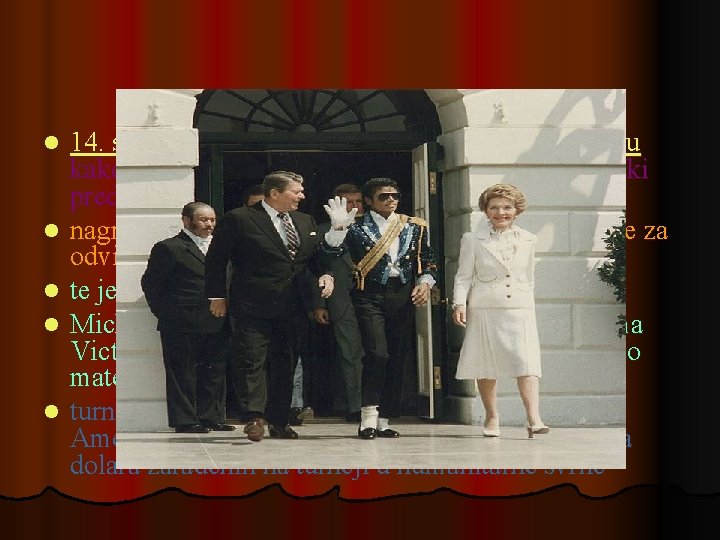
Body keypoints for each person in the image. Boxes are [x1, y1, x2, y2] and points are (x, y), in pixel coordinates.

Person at [205, 170, 334, 442]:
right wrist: (216, 296)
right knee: (251, 360)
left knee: (286, 363)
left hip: (293, 305)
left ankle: (279, 421)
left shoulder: (304, 220)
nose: (302, 196)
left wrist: (325, 274)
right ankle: (254, 416)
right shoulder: (240, 218)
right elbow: (216, 260)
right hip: (251, 304)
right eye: (296, 191)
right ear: (275, 193)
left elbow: (315, 257)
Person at [323, 177, 437, 439]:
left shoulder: (414, 226)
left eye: (394, 195)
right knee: (378, 354)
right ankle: (368, 416)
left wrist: (425, 283)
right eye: (384, 196)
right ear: (369, 201)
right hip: (368, 294)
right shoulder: (356, 226)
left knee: (397, 356)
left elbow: (427, 261)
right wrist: (338, 228)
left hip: (402, 293)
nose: (391, 200)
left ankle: (384, 419)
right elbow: (329, 253)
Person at [450, 183, 549, 439]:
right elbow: (463, 276)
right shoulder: (472, 239)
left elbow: (529, 277)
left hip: (519, 307)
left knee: (526, 362)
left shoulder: (528, 239)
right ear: (486, 210)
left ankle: (534, 418)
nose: (500, 213)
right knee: (486, 364)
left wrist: (527, 302)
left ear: (517, 211)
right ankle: (492, 416)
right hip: (485, 308)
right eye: (494, 207)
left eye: (507, 207)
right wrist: (459, 303)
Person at [141, 202, 234, 434]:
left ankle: (211, 417)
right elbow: (151, 284)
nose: (209, 224)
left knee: (214, 370)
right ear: (186, 220)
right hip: (181, 321)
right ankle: (185, 420)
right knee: (182, 372)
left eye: (212, 220)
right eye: (203, 219)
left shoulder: (222, 247)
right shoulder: (169, 248)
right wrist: (164, 313)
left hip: (218, 319)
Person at [312, 183, 366, 422]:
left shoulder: (374, 229)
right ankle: (356, 406)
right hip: (339, 299)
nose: (354, 207)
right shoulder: (323, 231)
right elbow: (316, 267)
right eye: (348, 202)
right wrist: (319, 304)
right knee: (350, 352)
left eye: (358, 202)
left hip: (373, 299)